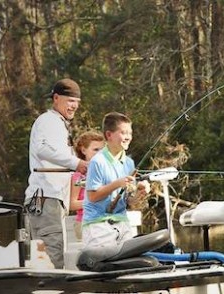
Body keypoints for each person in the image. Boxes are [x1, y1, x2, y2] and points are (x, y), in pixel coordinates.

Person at [24, 78, 88, 269]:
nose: (74, 106)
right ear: (56, 98)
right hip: (46, 199)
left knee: (43, 255)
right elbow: (42, 148)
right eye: (70, 101)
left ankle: (41, 293)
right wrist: (77, 163)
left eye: (77, 102)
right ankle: (48, 293)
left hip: (45, 199)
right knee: (52, 254)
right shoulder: (48, 120)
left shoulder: (58, 123)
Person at [82, 112, 150, 248]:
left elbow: (129, 201)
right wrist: (116, 184)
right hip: (98, 225)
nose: (128, 137)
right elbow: (93, 196)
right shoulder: (97, 161)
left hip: (122, 223)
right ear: (109, 135)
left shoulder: (129, 163)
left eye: (130, 133)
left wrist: (139, 194)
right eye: (123, 133)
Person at [70, 130, 105, 241]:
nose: (99, 153)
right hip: (86, 224)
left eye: (102, 150)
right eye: (95, 150)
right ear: (84, 150)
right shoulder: (78, 176)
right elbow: (72, 204)